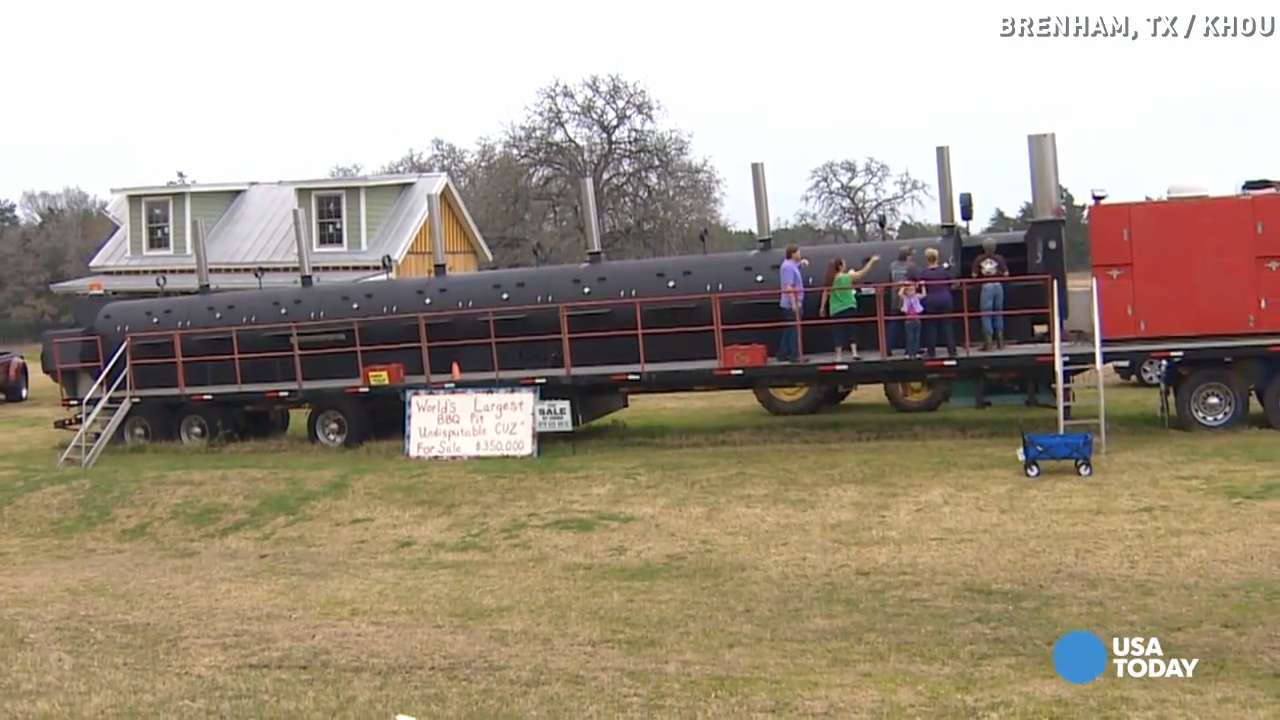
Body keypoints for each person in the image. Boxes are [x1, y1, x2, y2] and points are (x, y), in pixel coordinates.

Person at [819, 254, 880, 361]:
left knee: (838, 332)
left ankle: (838, 356)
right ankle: (854, 353)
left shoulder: (830, 279)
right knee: (852, 330)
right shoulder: (847, 277)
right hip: (848, 306)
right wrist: (871, 262)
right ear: (840, 266)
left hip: (836, 309)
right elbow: (862, 273)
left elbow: (825, 292)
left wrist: (822, 307)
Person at [971, 237, 1010, 351]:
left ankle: (988, 343)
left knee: (986, 314)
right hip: (998, 286)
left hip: (986, 286)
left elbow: (973, 275)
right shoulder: (1000, 258)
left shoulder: (979, 259)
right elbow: (1006, 274)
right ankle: (1000, 342)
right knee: (998, 313)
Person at [919, 247, 957, 358]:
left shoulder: (924, 273)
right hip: (945, 299)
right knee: (947, 325)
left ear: (927, 259)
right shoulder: (944, 272)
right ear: (937, 258)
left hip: (930, 300)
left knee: (931, 326)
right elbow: (954, 283)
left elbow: (921, 287)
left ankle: (931, 352)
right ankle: (952, 351)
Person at [776, 244, 808, 362]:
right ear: (793, 253)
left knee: (790, 328)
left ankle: (782, 353)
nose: (800, 254)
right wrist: (794, 303)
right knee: (794, 330)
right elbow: (789, 286)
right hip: (791, 303)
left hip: (790, 302)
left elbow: (794, 269)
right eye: (798, 252)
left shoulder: (790, 266)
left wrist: (801, 263)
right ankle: (794, 355)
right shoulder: (788, 267)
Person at [886, 246, 918, 356]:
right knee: (910, 324)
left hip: (895, 298)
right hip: (907, 299)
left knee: (893, 324)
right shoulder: (911, 266)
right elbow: (916, 280)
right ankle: (910, 349)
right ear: (908, 255)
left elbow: (890, 280)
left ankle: (887, 348)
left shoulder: (892, 266)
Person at [898, 281, 925, 358]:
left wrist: (923, 286)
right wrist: (904, 286)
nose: (911, 292)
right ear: (906, 292)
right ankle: (909, 353)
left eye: (913, 290)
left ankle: (916, 352)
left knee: (917, 336)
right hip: (908, 320)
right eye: (909, 290)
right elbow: (900, 294)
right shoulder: (905, 298)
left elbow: (924, 295)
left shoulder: (916, 296)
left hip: (917, 319)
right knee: (910, 337)